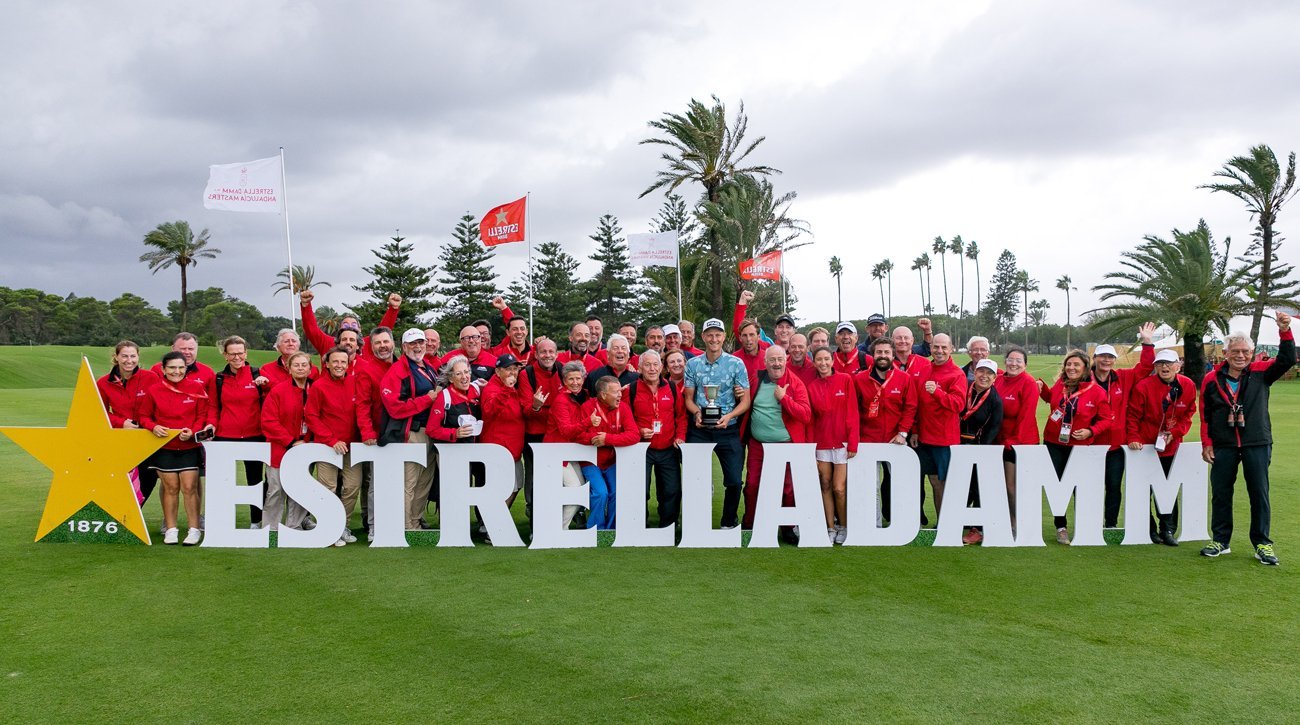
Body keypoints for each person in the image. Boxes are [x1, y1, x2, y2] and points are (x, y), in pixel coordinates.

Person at [1199, 314, 1294, 564]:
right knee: (1220, 492)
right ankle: (1221, 540)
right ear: (1226, 352)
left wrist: (1284, 330)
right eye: (1235, 351)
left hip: (1257, 442)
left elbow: (1286, 359)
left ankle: (1262, 543)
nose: (1240, 355)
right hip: (1224, 444)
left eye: (1245, 351)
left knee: (1259, 493)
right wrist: (1207, 443)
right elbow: (1205, 414)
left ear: (1252, 353)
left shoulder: (1261, 372)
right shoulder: (1211, 379)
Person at [139, 351, 214, 545]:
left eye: (181, 367)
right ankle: (171, 530)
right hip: (164, 447)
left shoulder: (196, 388)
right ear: (163, 369)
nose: (177, 371)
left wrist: (193, 431)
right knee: (171, 488)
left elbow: (202, 415)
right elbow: (144, 416)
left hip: (189, 446)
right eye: (172, 367)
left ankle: (194, 529)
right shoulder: (154, 390)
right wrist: (153, 427)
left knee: (189, 488)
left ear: (186, 368)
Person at [1039, 350, 1113, 545]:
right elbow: (1053, 402)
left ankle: (1085, 526)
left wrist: (1091, 431)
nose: (1071, 368)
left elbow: (1107, 419)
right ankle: (1061, 526)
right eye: (1068, 364)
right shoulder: (1059, 386)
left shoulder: (1096, 391)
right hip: (1054, 443)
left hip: (1080, 447)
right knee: (1057, 487)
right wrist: (1042, 389)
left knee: (1079, 489)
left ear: (1085, 368)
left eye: (1076, 365)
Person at [683, 318, 751, 529]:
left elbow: (746, 401)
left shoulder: (736, 364)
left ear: (723, 337)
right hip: (700, 429)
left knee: (733, 481)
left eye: (718, 335)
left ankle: (728, 521)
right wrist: (696, 413)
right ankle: (694, 523)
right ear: (703, 337)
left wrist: (729, 416)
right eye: (709, 335)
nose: (714, 339)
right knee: (694, 478)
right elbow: (689, 399)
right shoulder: (692, 364)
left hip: (727, 429)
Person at [1089, 323, 1156, 528]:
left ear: (1114, 360)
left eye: (1110, 357)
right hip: (1089, 444)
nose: (1106, 360)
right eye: (1102, 357)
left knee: (1113, 486)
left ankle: (1110, 524)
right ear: (1095, 359)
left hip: (1117, 445)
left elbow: (1145, 368)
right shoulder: (1085, 380)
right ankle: (1088, 523)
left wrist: (1147, 342)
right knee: (1088, 486)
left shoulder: (1123, 377)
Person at [1127, 349, 1196, 546]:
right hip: (1144, 447)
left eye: (1169, 363)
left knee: (1168, 488)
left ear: (1178, 365)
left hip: (1171, 446)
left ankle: (1167, 529)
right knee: (1143, 490)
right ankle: (1147, 529)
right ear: (1155, 366)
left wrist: (1174, 433)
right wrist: (1134, 437)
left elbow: (1189, 413)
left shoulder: (1188, 385)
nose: (1164, 367)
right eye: (1160, 364)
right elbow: (1133, 415)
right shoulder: (1144, 386)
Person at [742, 345, 811, 533]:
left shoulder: (795, 383)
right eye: (772, 360)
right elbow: (746, 404)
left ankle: (787, 527)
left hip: (786, 445)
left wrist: (784, 398)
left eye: (780, 359)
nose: (776, 363)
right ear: (765, 362)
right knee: (752, 484)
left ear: (786, 360)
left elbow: (806, 415)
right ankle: (750, 525)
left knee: (787, 487)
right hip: (758, 444)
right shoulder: (756, 380)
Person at [380, 328, 444, 530]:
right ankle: (404, 525)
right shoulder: (398, 371)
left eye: (421, 343)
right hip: (413, 433)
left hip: (431, 432)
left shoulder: (428, 367)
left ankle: (415, 521)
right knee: (409, 482)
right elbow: (395, 407)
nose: (418, 347)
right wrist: (428, 399)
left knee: (425, 480)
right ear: (404, 346)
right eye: (413, 343)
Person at [303, 347, 363, 546]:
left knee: (352, 486)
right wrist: (331, 440)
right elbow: (311, 416)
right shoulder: (319, 386)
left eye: (343, 362)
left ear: (349, 364)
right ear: (327, 364)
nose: (339, 366)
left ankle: (341, 525)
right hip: (327, 446)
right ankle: (328, 528)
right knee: (328, 488)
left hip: (352, 446)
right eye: (335, 362)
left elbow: (362, 411)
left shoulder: (355, 383)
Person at [854, 337, 916, 525]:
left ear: (893, 355)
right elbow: (854, 410)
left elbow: (911, 407)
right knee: (869, 486)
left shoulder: (904, 378)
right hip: (868, 440)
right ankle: (874, 523)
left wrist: (903, 432)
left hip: (894, 441)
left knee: (898, 484)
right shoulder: (859, 379)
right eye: (879, 352)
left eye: (886, 352)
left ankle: (900, 523)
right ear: (872, 356)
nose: (883, 356)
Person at [213, 335, 270, 528]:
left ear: (246, 353)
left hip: (254, 435)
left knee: (254, 481)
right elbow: (214, 407)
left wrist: (265, 386)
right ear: (225, 356)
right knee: (222, 481)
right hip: (225, 437)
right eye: (232, 354)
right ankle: (220, 522)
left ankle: (256, 521)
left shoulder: (256, 374)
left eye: (240, 353)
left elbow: (272, 401)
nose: (237, 357)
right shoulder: (219, 378)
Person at [97, 341, 161, 503]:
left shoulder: (151, 377)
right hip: (120, 438)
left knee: (148, 478)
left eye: (133, 356)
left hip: (147, 437)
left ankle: (133, 515)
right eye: (124, 356)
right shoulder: (103, 383)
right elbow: (100, 413)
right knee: (120, 479)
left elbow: (160, 405)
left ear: (138, 357)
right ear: (116, 357)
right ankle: (118, 514)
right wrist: (121, 423)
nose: (129, 360)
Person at [629, 350, 687, 527]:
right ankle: (638, 523)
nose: (652, 368)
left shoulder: (671, 388)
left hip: (668, 448)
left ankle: (668, 525)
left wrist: (680, 437)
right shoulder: (631, 390)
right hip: (641, 449)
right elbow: (625, 418)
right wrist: (638, 431)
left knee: (671, 490)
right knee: (640, 490)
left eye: (655, 364)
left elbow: (681, 417)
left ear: (662, 367)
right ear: (639, 368)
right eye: (647, 364)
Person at [808, 346, 859, 544]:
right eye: (819, 360)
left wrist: (853, 441)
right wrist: (811, 448)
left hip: (842, 444)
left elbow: (853, 412)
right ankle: (830, 527)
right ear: (814, 362)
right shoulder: (812, 386)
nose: (823, 363)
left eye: (826, 359)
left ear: (832, 360)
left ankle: (843, 526)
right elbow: (811, 420)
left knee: (839, 488)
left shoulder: (845, 380)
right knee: (825, 485)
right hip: (821, 444)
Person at [914, 333, 966, 525]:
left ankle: (946, 523)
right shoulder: (924, 368)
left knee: (944, 484)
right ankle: (938, 522)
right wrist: (916, 429)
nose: (939, 351)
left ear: (951, 348)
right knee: (933, 481)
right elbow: (918, 404)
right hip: (924, 438)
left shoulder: (957, 374)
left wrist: (937, 392)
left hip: (944, 440)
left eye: (944, 347)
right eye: (936, 347)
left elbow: (958, 405)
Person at [260, 352, 314, 532]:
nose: (300, 368)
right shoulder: (278, 391)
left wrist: (307, 441)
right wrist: (290, 441)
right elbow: (268, 421)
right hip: (280, 447)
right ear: (289, 369)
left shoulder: (315, 389)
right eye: (296, 365)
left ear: (310, 368)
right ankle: (271, 527)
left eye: (304, 365)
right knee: (276, 490)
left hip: (306, 447)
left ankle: (294, 526)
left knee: (300, 489)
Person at [578, 375, 640, 529]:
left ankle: (611, 529)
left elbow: (634, 435)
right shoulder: (587, 407)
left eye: (620, 391)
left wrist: (608, 439)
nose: (620, 395)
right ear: (603, 395)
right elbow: (579, 435)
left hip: (612, 461)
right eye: (616, 392)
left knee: (617, 493)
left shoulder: (623, 408)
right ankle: (595, 529)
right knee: (601, 493)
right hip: (590, 462)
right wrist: (595, 438)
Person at [355, 326, 398, 540]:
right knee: (376, 483)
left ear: (393, 342)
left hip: (402, 434)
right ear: (371, 347)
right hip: (379, 435)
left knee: (400, 482)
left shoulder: (403, 365)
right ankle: (374, 525)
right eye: (378, 343)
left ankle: (398, 522)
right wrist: (367, 432)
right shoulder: (366, 369)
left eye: (385, 342)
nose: (383, 346)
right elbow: (362, 405)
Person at [958, 359, 1004, 545]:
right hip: (957, 445)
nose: (984, 376)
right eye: (981, 372)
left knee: (977, 487)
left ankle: (977, 529)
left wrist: (981, 451)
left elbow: (994, 428)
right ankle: (957, 520)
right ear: (974, 373)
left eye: (989, 374)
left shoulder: (995, 400)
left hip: (978, 448)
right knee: (960, 485)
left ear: (994, 378)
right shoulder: (965, 387)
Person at [994, 346, 1039, 535]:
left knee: (1014, 486)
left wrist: (1014, 441)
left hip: (1022, 443)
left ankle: (1017, 523)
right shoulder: (999, 380)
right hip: (1001, 441)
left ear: (1025, 365)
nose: (1014, 364)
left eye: (1018, 361)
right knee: (1003, 484)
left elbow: (1026, 417)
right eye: (1011, 360)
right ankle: (1008, 519)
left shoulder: (1028, 382)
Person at [479, 353, 530, 522]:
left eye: (515, 369)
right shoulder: (493, 388)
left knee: (515, 486)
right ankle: (492, 525)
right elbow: (488, 411)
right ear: (497, 371)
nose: (512, 373)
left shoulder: (512, 388)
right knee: (501, 489)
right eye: (508, 369)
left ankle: (495, 523)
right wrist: (507, 390)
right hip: (498, 450)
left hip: (512, 450)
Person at [544, 361, 592, 529]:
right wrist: (588, 422)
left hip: (572, 452)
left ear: (584, 379)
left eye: (578, 378)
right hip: (557, 453)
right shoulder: (561, 401)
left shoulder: (584, 395)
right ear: (564, 381)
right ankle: (558, 529)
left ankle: (557, 528)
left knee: (580, 491)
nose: (575, 382)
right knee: (575, 489)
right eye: (571, 379)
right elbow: (565, 430)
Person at [520, 338, 563, 522]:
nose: (547, 355)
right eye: (543, 352)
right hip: (535, 435)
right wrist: (537, 407)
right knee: (535, 477)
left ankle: (560, 513)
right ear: (536, 355)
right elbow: (526, 409)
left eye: (551, 352)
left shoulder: (563, 370)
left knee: (560, 476)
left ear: (556, 353)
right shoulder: (526, 374)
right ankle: (534, 514)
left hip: (559, 434)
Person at [299, 289, 400, 362]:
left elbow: (382, 331)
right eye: (346, 324)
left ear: (360, 329)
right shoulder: (328, 343)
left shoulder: (368, 343)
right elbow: (311, 330)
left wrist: (393, 309)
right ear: (340, 329)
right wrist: (306, 306)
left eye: (354, 324)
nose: (350, 327)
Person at [149, 332, 217, 400]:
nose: (187, 352)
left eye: (191, 349)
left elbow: (212, 401)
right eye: (183, 349)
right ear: (173, 348)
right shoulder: (157, 370)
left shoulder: (208, 372)